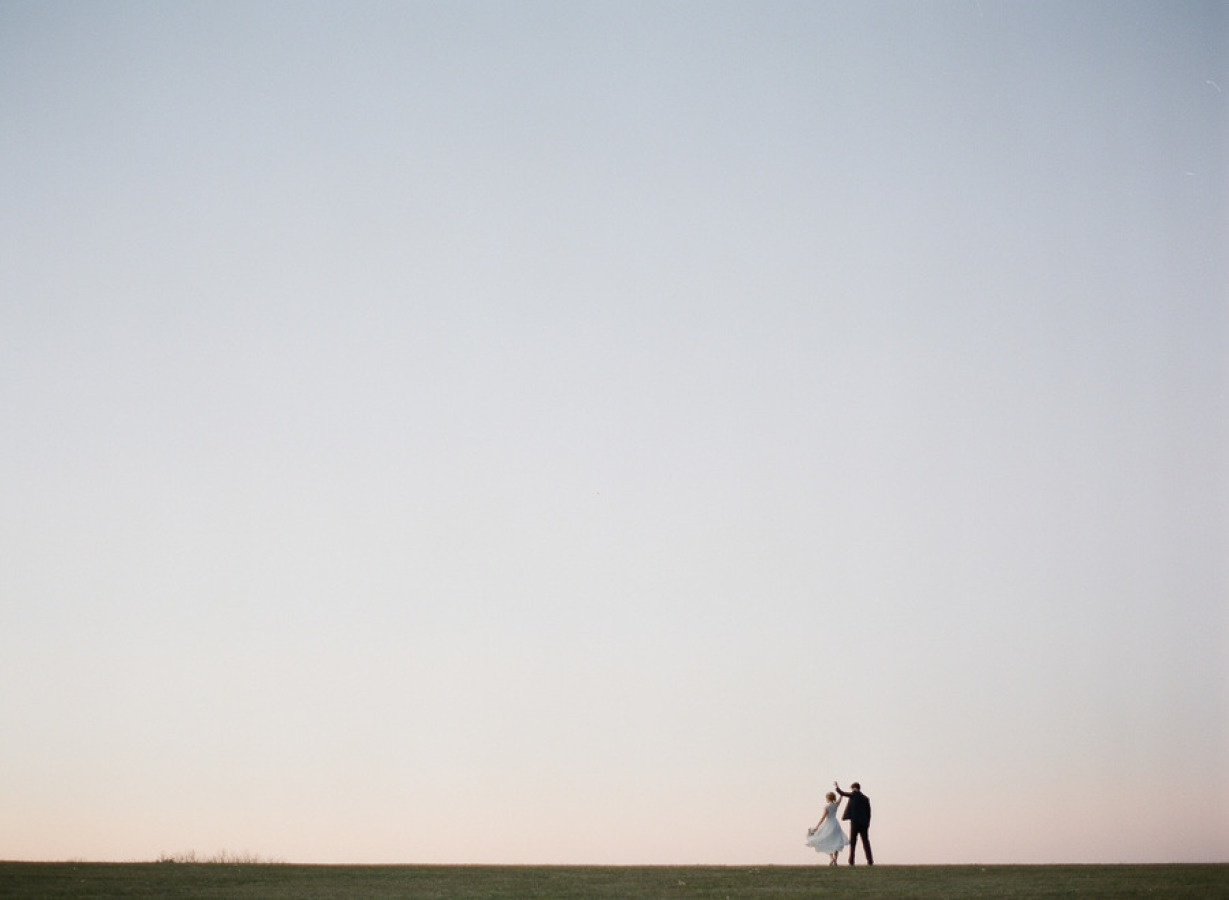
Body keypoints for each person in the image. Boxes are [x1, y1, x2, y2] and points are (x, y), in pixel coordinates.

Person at [834, 781, 873, 865]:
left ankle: (851, 861)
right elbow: (869, 813)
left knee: (853, 842)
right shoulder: (866, 798)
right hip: (864, 823)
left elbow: (842, 793)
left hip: (854, 822)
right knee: (866, 842)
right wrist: (867, 823)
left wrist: (837, 787)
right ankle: (870, 860)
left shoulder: (853, 795)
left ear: (854, 788)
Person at [805, 791, 848, 865]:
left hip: (828, 824)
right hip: (835, 824)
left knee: (828, 841)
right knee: (836, 841)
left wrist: (817, 827)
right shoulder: (835, 805)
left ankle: (832, 858)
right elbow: (840, 800)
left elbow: (823, 818)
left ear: (828, 798)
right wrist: (841, 794)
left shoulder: (827, 807)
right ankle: (835, 859)